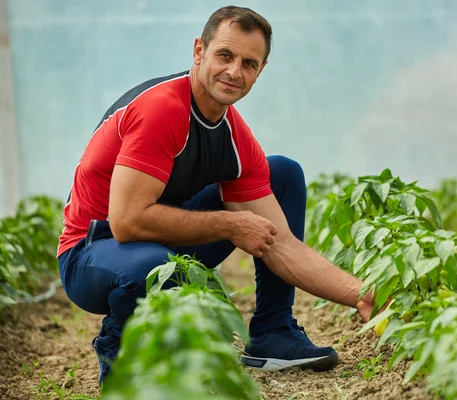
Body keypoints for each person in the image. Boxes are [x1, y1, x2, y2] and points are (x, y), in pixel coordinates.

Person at [57, 5, 376, 386]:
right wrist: (229, 223)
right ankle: (122, 365)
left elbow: (281, 244)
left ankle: (273, 333)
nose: (234, 71)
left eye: (249, 63)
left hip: (157, 242)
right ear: (198, 52)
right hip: (92, 252)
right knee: (160, 269)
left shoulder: (234, 136)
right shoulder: (162, 109)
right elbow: (126, 223)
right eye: (225, 55)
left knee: (282, 174)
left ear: (260, 72)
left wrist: (361, 293)